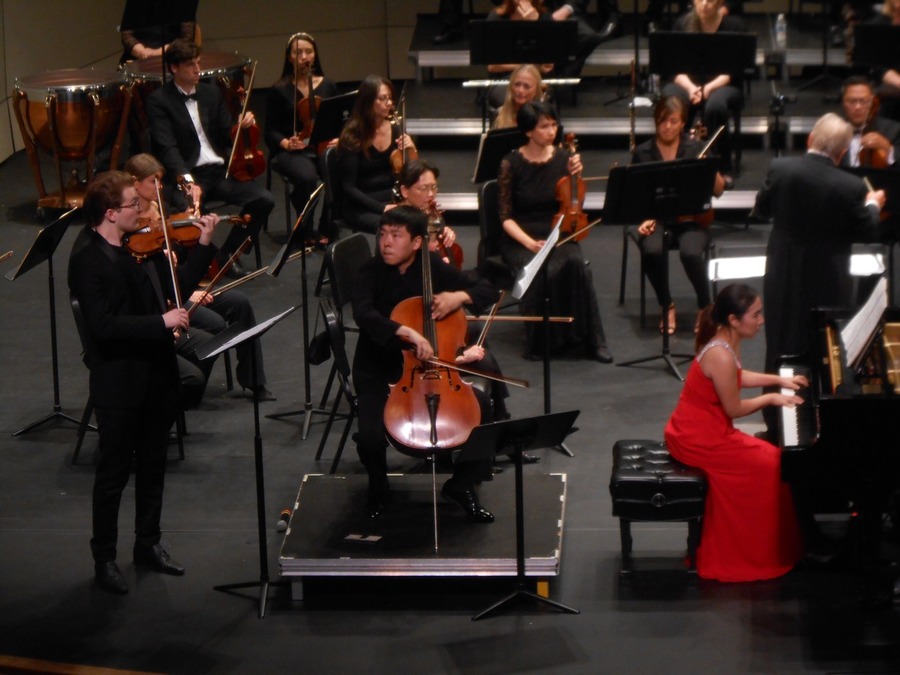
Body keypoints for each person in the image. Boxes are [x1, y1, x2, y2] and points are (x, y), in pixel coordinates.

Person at [68, 171, 220, 594]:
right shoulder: (88, 260)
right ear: (112, 213)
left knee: (153, 467)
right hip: (119, 382)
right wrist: (159, 322)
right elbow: (102, 326)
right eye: (135, 204)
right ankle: (104, 558)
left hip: (157, 375)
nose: (144, 209)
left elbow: (177, 292)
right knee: (114, 474)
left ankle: (147, 545)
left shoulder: (145, 252)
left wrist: (203, 246)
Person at [352, 205, 500, 521]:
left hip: (430, 368)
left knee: (483, 406)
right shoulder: (370, 270)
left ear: (417, 242)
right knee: (369, 436)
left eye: (396, 235)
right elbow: (363, 314)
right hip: (379, 365)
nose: (386, 243)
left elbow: (485, 288)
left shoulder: (429, 265)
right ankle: (378, 487)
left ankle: (463, 484)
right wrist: (405, 331)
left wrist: (459, 297)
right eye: (383, 234)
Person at [754, 113, 885, 439]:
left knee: (780, 344)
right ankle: (817, 422)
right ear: (842, 153)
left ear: (811, 138)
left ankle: (775, 427)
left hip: (782, 275)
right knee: (823, 349)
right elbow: (868, 231)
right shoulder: (851, 186)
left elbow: (761, 210)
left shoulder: (780, 168)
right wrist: (873, 205)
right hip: (828, 281)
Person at [664, 283, 805, 582]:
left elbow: (737, 378)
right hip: (698, 439)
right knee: (771, 463)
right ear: (733, 319)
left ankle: (768, 545)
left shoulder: (725, 342)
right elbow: (734, 409)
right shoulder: (721, 354)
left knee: (772, 458)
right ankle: (753, 553)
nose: (761, 319)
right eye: (756, 314)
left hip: (706, 429)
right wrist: (772, 397)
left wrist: (778, 380)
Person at [123, 153, 274, 402]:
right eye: (153, 181)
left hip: (184, 284)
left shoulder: (165, 207)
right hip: (173, 295)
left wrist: (195, 216)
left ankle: (254, 381)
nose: (159, 187)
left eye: (160, 181)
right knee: (214, 324)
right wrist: (189, 291)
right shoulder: (129, 223)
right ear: (134, 182)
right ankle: (187, 393)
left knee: (240, 303)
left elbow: (186, 251)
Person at [146, 39, 275, 279]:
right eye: (190, 65)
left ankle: (227, 255)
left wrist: (241, 125)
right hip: (186, 176)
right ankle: (204, 264)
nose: (198, 70)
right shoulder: (159, 101)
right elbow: (167, 149)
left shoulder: (210, 92)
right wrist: (187, 182)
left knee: (264, 199)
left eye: (198, 63)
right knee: (194, 216)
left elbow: (227, 135)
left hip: (218, 173)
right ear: (174, 68)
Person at [498, 101, 612, 362]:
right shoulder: (510, 163)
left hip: (556, 231)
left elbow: (575, 204)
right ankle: (542, 343)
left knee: (576, 263)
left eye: (553, 124)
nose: (552, 131)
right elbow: (505, 218)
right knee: (538, 269)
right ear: (528, 131)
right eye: (544, 126)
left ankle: (594, 340)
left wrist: (576, 178)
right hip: (521, 237)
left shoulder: (565, 159)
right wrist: (529, 244)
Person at [631, 95, 725, 335]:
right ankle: (666, 305)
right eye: (663, 121)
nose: (668, 126)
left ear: (683, 123)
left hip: (692, 220)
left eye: (673, 121)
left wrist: (710, 167)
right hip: (658, 220)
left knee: (690, 253)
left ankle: (705, 307)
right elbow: (637, 196)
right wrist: (644, 218)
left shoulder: (695, 148)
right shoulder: (643, 152)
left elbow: (719, 191)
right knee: (651, 250)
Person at [661, 0, 745, 184]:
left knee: (715, 106)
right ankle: (673, 162)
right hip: (686, 82)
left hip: (721, 84)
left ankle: (723, 166)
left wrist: (708, 88)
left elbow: (732, 70)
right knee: (671, 100)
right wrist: (691, 88)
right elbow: (674, 67)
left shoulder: (733, 25)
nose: (705, 4)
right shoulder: (682, 24)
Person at [265, 32, 339, 241]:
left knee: (339, 169)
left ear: (315, 55)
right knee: (306, 178)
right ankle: (304, 226)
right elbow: (270, 130)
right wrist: (287, 143)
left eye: (308, 51)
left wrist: (338, 139)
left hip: (322, 146)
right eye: (298, 53)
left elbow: (340, 121)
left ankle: (327, 226)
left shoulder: (328, 85)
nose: (304, 57)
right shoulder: (279, 90)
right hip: (293, 151)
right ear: (289, 57)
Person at [336, 75, 415, 234]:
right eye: (383, 98)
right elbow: (348, 188)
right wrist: (382, 208)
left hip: (391, 198)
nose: (390, 103)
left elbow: (409, 171)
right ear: (368, 102)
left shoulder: (396, 129)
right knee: (392, 227)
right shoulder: (353, 135)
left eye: (390, 98)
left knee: (418, 220)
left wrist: (412, 150)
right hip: (360, 205)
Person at [839, 75, 900, 168]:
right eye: (852, 101)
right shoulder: (833, 132)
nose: (858, 107)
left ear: (872, 102)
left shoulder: (894, 130)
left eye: (864, 101)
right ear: (843, 103)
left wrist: (888, 149)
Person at [119, 0, 198, 63]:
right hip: (137, 58)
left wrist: (154, 54)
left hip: (169, 58)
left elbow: (187, 38)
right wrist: (143, 53)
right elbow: (126, 35)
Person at [492, 64, 547, 130]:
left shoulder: (545, 118)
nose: (520, 90)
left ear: (536, 91)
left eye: (526, 86)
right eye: (517, 84)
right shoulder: (499, 116)